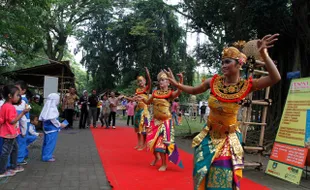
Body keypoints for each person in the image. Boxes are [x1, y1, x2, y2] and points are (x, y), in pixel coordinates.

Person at [166, 34, 281, 189]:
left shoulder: (246, 86)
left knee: (222, 177)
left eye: (227, 62)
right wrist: (177, 85)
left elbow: (275, 78)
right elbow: (193, 90)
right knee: (201, 173)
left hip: (228, 139)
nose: (223, 65)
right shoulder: (213, 82)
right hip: (208, 137)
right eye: (222, 62)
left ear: (239, 63)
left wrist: (265, 55)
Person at [137, 70, 183, 171]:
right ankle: (157, 157)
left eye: (163, 80)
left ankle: (164, 164)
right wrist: (141, 98)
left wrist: (180, 80)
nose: (161, 82)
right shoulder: (155, 93)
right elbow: (148, 102)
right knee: (151, 142)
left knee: (161, 143)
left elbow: (179, 91)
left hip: (166, 121)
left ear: (168, 82)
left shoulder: (170, 94)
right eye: (160, 80)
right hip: (155, 121)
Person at [0, 85, 29, 178]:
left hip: (11, 133)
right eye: (17, 95)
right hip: (8, 133)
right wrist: (23, 113)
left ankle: (13, 166)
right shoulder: (9, 107)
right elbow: (12, 121)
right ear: (9, 96)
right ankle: (2, 171)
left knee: (15, 149)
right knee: (6, 152)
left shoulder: (7, 105)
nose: (19, 97)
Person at [124, 68, 151, 150]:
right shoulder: (137, 90)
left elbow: (150, 82)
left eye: (141, 81)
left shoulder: (146, 89)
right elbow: (133, 99)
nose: (140, 82)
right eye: (138, 81)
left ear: (145, 81)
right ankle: (139, 143)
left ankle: (144, 144)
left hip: (144, 111)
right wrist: (124, 96)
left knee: (144, 129)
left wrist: (148, 74)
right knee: (137, 129)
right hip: (138, 111)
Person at [40, 93, 66, 162]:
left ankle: (46, 154)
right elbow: (53, 119)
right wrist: (60, 125)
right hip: (52, 129)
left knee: (46, 142)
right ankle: (47, 156)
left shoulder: (47, 107)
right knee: (51, 143)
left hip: (47, 128)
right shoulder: (52, 108)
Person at [14, 81, 30, 165]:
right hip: (22, 123)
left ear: (23, 90)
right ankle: (22, 156)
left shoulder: (21, 100)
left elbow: (23, 117)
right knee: (21, 141)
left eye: (17, 89)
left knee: (21, 141)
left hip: (22, 123)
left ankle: (19, 159)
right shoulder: (23, 99)